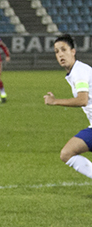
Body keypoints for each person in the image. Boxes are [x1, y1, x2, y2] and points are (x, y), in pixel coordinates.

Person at [44, 34, 92, 180]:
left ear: (73, 51)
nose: (60, 55)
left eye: (63, 49)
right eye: (57, 52)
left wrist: (55, 101)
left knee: (67, 153)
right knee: (67, 153)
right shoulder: (76, 71)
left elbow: (82, 100)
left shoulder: (79, 73)